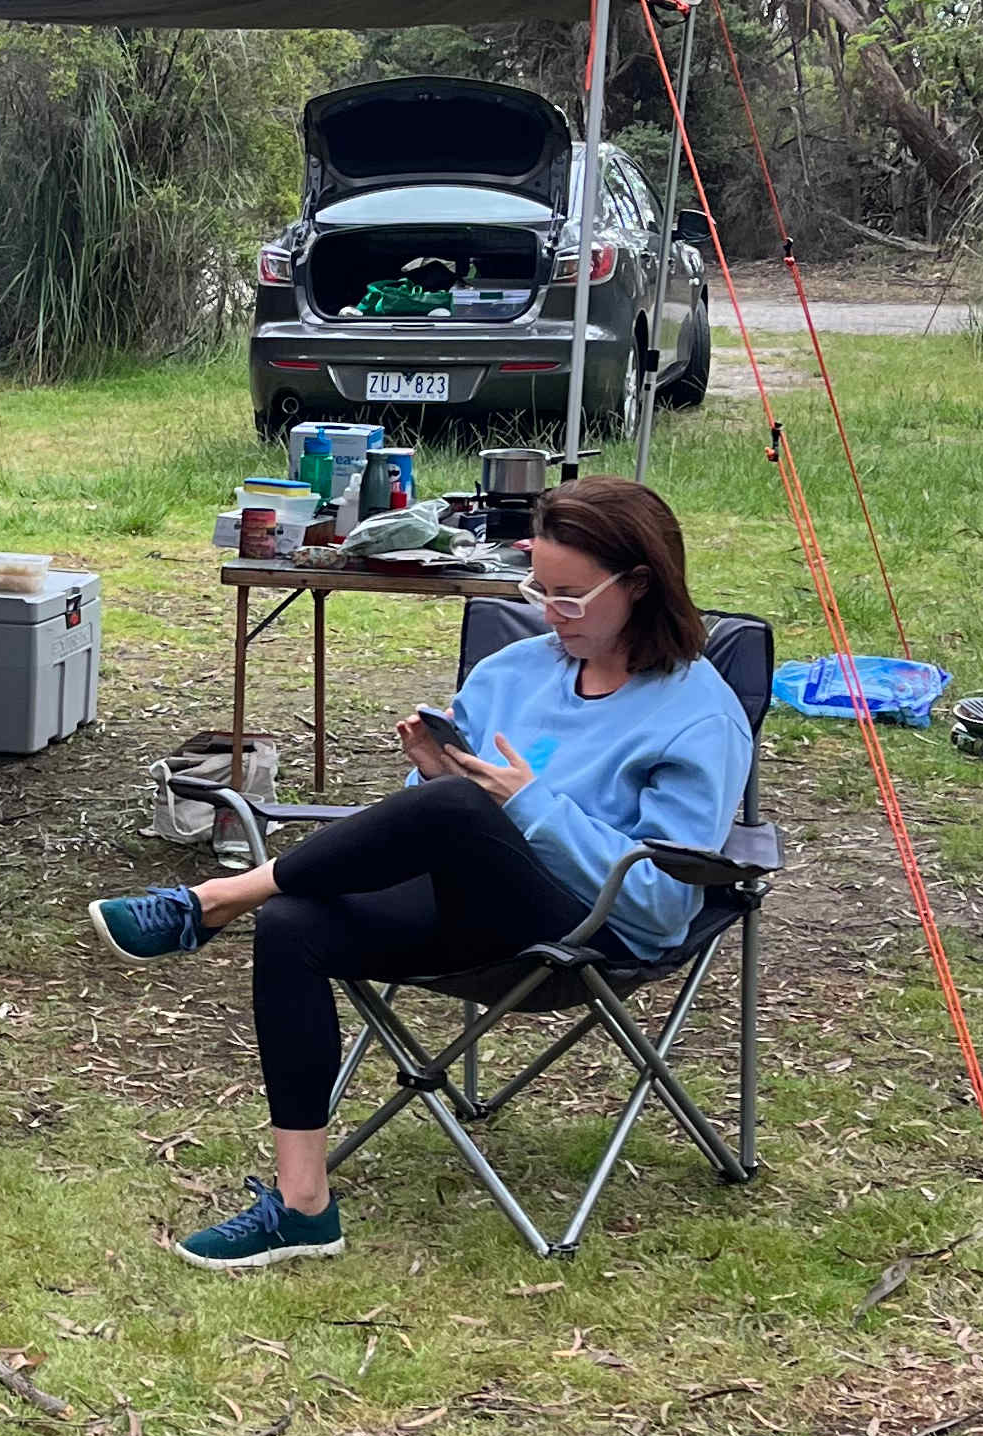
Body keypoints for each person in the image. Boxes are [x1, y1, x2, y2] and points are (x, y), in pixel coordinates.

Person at [91, 477, 749, 1270]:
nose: (551, 613)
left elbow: (663, 906)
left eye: (571, 596)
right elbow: (425, 824)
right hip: (471, 904)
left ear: (639, 584)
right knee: (296, 923)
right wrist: (431, 777)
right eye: (539, 589)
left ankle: (215, 900)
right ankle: (303, 1207)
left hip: (593, 932)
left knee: (464, 808)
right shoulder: (515, 671)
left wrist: (524, 806)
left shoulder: (697, 714)